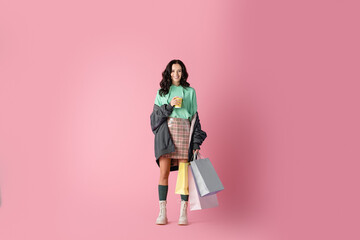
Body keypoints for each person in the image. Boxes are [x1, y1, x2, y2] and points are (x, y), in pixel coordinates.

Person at [150, 59, 207, 225]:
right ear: (169, 73)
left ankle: (183, 212)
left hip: (184, 132)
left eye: (179, 71)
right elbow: (154, 119)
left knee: (183, 175)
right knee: (164, 173)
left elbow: (195, 118)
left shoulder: (190, 92)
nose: (176, 74)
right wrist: (169, 105)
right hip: (166, 134)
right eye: (173, 71)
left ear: (183, 73)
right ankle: (162, 212)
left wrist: (196, 144)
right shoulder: (161, 93)